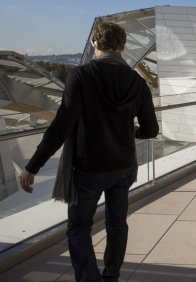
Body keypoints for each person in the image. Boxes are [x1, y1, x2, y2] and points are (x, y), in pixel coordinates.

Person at [19, 23, 159, 282]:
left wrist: (33, 166)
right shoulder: (138, 82)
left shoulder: (81, 75)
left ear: (95, 44)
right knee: (117, 225)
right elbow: (151, 130)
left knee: (79, 229)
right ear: (123, 46)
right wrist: (132, 133)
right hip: (125, 166)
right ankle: (111, 277)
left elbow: (62, 126)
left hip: (89, 167)